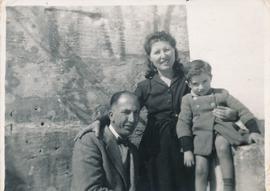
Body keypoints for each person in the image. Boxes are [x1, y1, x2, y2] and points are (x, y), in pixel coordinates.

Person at [75, 31, 237, 191]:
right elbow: (125, 106)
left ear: (175, 51)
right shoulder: (145, 87)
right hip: (157, 146)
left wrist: (232, 115)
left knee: (187, 183)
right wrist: (101, 120)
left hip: (185, 140)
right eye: (157, 52)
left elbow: (211, 94)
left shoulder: (188, 80)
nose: (163, 55)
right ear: (150, 58)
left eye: (167, 50)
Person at [176, 59, 262, 191]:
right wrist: (187, 149)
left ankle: (228, 187)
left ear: (211, 78)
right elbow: (183, 123)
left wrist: (254, 130)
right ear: (188, 84)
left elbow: (242, 110)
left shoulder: (221, 94)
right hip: (201, 138)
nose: (201, 87)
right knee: (200, 169)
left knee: (222, 146)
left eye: (205, 81)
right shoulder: (187, 100)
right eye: (195, 84)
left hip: (224, 132)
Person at [71, 91, 141, 191]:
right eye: (126, 112)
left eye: (136, 113)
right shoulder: (90, 141)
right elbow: (88, 189)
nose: (132, 119)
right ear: (111, 115)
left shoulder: (132, 149)